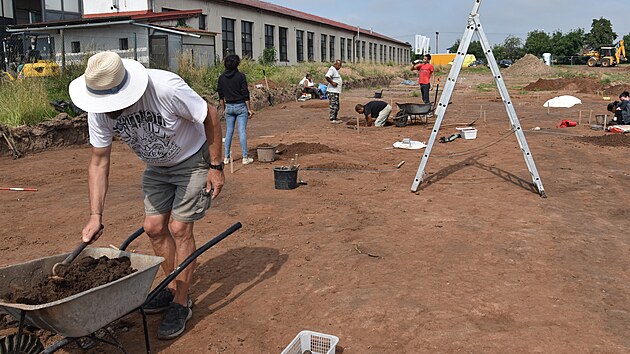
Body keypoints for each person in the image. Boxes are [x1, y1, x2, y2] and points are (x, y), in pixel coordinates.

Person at [69, 51, 225, 340]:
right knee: (153, 228)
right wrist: (95, 216)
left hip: (192, 160)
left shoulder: (165, 88)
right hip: (157, 166)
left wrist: (216, 166)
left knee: (179, 228)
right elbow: (99, 161)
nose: (108, 110)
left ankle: (181, 302)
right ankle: (171, 286)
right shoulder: (98, 110)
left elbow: (210, 114)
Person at [217, 54, 254, 165]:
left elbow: (221, 95)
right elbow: (245, 93)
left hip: (229, 107)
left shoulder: (221, 78)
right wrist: (249, 109)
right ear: (237, 64)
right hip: (240, 106)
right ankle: (244, 157)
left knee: (229, 132)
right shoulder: (241, 76)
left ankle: (226, 158)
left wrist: (224, 109)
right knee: (241, 131)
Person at [325, 59, 343, 124]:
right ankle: (332, 119)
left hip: (336, 91)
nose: (340, 67)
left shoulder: (335, 70)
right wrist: (332, 83)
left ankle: (335, 118)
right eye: (339, 65)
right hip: (332, 91)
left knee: (337, 105)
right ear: (335, 64)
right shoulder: (332, 69)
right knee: (333, 105)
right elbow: (327, 76)